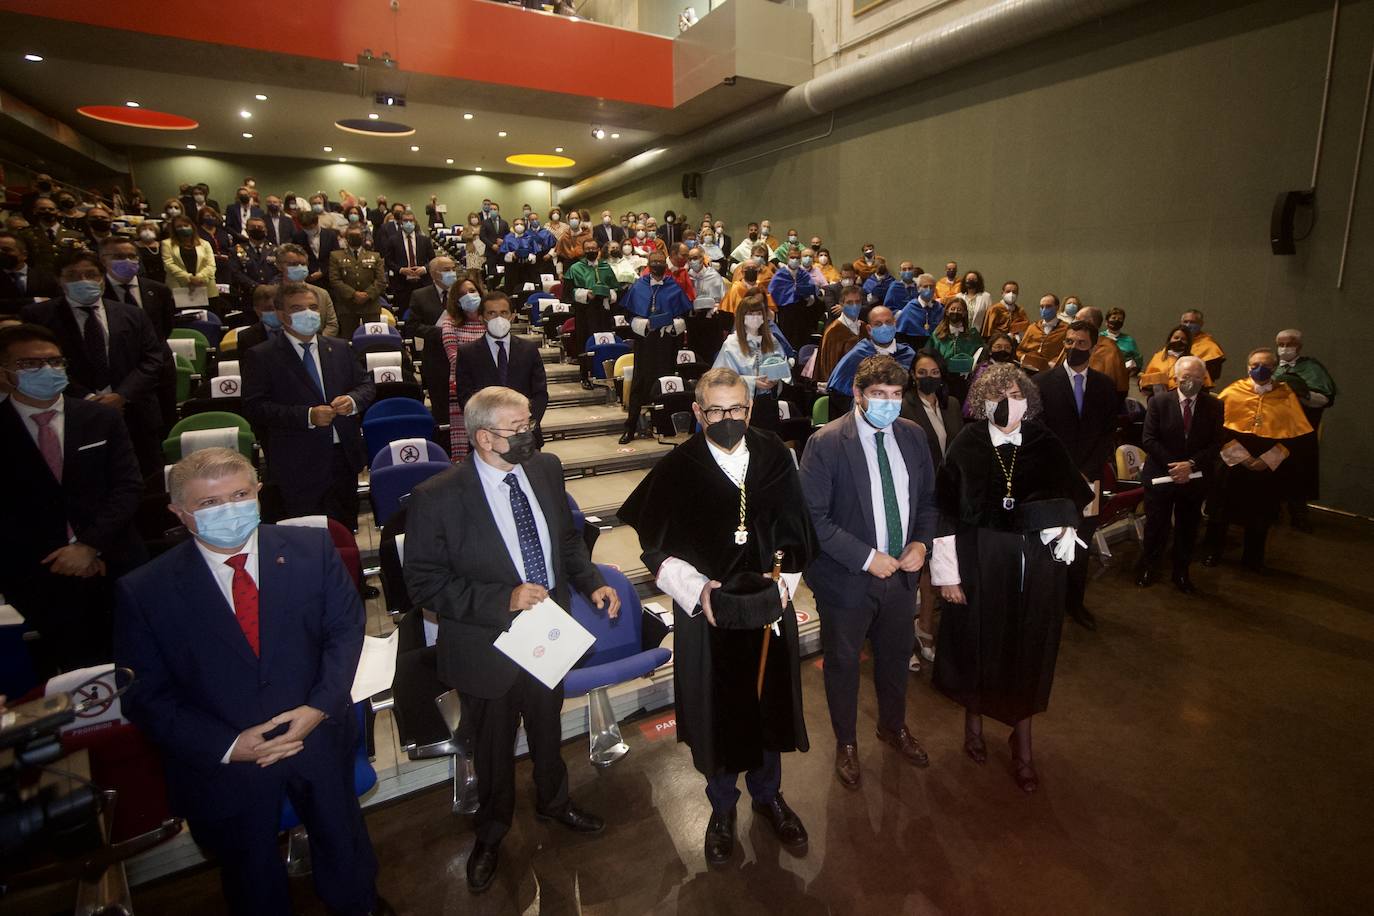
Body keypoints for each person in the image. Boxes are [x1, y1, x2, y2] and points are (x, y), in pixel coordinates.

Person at [114, 448, 389, 916]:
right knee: (249, 872)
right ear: (178, 513)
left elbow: (345, 632)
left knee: (343, 843)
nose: (229, 509)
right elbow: (144, 695)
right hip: (227, 762)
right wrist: (228, 745)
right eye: (209, 503)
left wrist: (319, 707)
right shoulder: (144, 590)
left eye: (239, 494)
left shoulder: (311, 550)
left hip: (316, 737)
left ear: (259, 493)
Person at [403, 387, 616, 893]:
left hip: (549, 636)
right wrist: (504, 598)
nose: (530, 436)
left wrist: (593, 582)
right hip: (486, 648)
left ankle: (554, 801)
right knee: (493, 748)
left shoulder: (545, 468)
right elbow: (424, 584)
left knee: (547, 729)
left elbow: (565, 539)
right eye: (518, 430)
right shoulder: (437, 497)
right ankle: (492, 832)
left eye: (530, 425)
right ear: (483, 438)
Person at [619, 367, 817, 864]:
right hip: (707, 611)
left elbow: (795, 532)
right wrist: (696, 590)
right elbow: (655, 547)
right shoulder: (680, 466)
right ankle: (723, 806)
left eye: (736, 410)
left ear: (749, 410)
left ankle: (769, 796)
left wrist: (781, 590)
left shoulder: (775, 456)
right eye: (716, 411)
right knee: (717, 711)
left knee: (766, 706)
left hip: (769, 606)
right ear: (699, 412)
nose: (727, 419)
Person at [930, 362, 1092, 792]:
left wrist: (1063, 526)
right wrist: (947, 575)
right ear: (982, 401)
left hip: (1034, 568)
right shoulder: (967, 443)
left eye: (1016, 396)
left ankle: (1023, 746)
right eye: (998, 397)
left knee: (1027, 650)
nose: (1008, 404)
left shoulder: (1044, 442)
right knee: (978, 643)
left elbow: (1073, 499)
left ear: (1029, 401)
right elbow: (945, 512)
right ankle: (974, 725)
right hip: (980, 562)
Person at [800, 355, 937, 789]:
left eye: (897, 396)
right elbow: (814, 518)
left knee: (896, 658)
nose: (889, 404)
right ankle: (846, 743)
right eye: (879, 395)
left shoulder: (913, 436)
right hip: (846, 579)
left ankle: (892, 727)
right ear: (858, 395)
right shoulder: (826, 443)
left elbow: (930, 501)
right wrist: (865, 557)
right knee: (842, 663)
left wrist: (921, 543)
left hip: (900, 576)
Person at [0, 324, 144, 676]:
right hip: (39, 574)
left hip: (115, 561)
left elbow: (127, 487)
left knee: (136, 664)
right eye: (29, 365)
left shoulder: (99, 418)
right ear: (4, 373)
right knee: (70, 673)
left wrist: (89, 545)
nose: (46, 371)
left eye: (54, 362)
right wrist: (64, 555)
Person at [22, 250, 168, 478]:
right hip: (71, 410)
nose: (83, 281)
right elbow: (38, 363)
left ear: (102, 277)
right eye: (73, 276)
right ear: (60, 280)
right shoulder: (38, 315)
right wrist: (89, 399)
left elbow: (152, 359)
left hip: (134, 410)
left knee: (147, 477)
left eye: (90, 274)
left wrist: (121, 396)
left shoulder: (132, 313)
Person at [241, 283, 375, 527]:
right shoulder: (262, 355)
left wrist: (353, 400)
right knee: (308, 535)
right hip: (298, 463)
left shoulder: (340, 348)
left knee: (345, 530)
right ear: (282, 315)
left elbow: (366, 385)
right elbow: (255, 407)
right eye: (297, 308)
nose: (308, 313)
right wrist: (307, 416)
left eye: (313, 307)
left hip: (342, 459)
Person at [1034, 320, 1119, 631]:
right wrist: (1067, 470)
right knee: (1049, 543)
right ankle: (1047, 605)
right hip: (1054, 477)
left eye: (1080, 343)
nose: (1072, 348)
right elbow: (1038, 431)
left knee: (1081, 544)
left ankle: (1075, 604)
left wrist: (1087, 471)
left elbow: (1108, 433)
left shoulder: (1106, 386)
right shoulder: (1043, 382)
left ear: (1093, 347)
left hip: (1090, 478)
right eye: (1068, 342)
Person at [1202, 348, 1313, 571]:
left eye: (1265, 365)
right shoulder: (1233, 392)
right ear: (1247, 367)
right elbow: (1216, 430)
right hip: (1233, 461)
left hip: (1266, 466)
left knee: (1260, 514)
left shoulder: (1286, 395)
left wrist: (1267, 460)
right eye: (1254, 365)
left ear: (1274, 368)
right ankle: (1213, 552)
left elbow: (1296, 437)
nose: (1259, 369)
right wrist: (1242, 457)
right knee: (1220, 512)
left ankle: (1253, 559)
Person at [1136, 356, 1223, 592]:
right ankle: (1149, 566)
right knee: (1156, 526)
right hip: (1161, 476)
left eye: (1197, 377)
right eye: (1186, 377)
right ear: (1176, 378)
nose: (1191, 382)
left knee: (1188, 527)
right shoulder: (1159, 402)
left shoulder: (1215, 405)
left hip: (1193, 478)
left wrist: (1191, 465)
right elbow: (1149, 439)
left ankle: (1181, 572)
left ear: (1204, 379)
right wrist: (1176, 465)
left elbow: (1216, 444)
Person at [900, 350, 964, 665]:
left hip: (947, 496)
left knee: (936, 566)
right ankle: (903, 639)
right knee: (914, 568)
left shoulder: (951, 405)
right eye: (922, 371)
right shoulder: (903, 406)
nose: (929, 377)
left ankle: (925, 627)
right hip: (916, 496)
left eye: (935, 371)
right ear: (913, 375)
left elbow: (958, 447)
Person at [455, 291, 549, 446]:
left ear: (512, 316)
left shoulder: (529, 349)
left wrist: (526, 425)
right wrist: (492, 428)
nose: (499, 318)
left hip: (525, 435)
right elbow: (466, 398)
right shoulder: (467, 353)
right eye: (492, 313)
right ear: (481, 318)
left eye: (504, 313)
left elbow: (540, 393)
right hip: (487, 437)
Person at [619, 250, 692, 444]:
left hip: (666, 344)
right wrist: (644, 325)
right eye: (654, 262)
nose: (657, 264)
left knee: (665, 382)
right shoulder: (638, 286)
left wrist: (673, 325)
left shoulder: (673, 286)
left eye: (661, 261)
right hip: (645, 343)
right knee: (639, 383)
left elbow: (684, 315)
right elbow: (628, 315)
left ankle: (664, 425)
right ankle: (631, 427)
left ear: (665, 265)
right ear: (648, 265)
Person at [1273, 328, 1336, 531]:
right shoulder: (1271, 365)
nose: (1284, 348)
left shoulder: (1311, 368)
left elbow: (1325, 398)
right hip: (1273, 429)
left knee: (1298, 474)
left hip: (1300, 430)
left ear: (1298, 346)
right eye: (1280, 344)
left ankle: (1299, 515)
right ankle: (1271, 511)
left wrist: (1303, 394)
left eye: (1288, 344)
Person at [421, 279, 487, 460]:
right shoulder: (449, 324)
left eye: (472, 290)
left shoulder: (489, 321)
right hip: (462, 386)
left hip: (491, 385)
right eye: (463, 294)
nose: (469, 296)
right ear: (456, 300)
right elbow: (455, 358)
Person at [712, 292, 790, 430]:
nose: (755, 318)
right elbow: (721, 378)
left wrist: (775, 379)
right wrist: (752, 382)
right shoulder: (731, 344)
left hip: (768, 404)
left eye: (759, 314)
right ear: (742, 317)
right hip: (743, 405)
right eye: (750, 315)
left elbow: (781, 365)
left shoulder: (771, 340)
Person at [825, 305, 915, 419]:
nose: (884, 327)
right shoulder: (857, 355)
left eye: (888, 322)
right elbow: (839, 393)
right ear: (868, 329)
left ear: (895, 324)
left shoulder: (908, 354)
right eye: (878, 324)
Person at [565, 239, 620, 366]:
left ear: (598, 250)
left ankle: (604, 367)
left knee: (604, 338)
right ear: (583, 251)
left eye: (593, 248)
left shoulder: (605, 266)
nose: (591, 251)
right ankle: (586, 370)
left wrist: (610, 293)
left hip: (603, 310)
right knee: (586, 339)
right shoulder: (575, 268)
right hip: (584, 310)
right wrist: (585, 294)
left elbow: (615, 288)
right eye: (588, 249)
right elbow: (567, 292)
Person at [329, 224, 387, 338]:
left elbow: (381, 280)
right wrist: (353, 294)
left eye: (358, 235)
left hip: (371, 305)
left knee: (373, 339)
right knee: (348, 339)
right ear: (346, 237)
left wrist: (367, 294)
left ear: (363, 237)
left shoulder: (375, 256)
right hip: (347, 306)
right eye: (352, 235)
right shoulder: (336, 256)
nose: (355, 238)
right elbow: (334, 280)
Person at [1056, 306, 1127, 397]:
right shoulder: (1071, 343)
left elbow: (1118, 388)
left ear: (1089, 323)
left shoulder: (1109, 349)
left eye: (1077, 319)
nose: (1073, 322)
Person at [276, 243, 340, 337]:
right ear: (279, 266)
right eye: (293, 264)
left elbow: (332, 325)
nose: (299, 267)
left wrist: (316, 341)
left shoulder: (322, 293)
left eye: (303, 264)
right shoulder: (273, 294)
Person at [928, 297, 982, 402]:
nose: (955, 312)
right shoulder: (937, 334)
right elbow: (930, 354)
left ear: (964, 313)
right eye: (952, 309)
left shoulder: (972, 333)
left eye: (959, 310)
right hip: (944, 379)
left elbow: (980, 353)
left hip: (966, 380)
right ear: (947, 312)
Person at [162, 214, 220, 310]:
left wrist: (199, 278)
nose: (183, 228)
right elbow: (168, 264)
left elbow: (211, 265)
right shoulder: (167, 244)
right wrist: (189, 278)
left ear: (192, 226)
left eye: (186, 225)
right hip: (180, 288)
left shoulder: (204, 244)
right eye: (179, 227)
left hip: (205, 287)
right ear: (174, 229)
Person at [814, 282, 867, 384]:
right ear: (841, 304)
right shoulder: (833, 331)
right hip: (841, 386)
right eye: (850, 302)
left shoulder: (864, 328)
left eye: (858, 302)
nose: (855, 306)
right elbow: (828, 369)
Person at [1139, 325, 1212, 397]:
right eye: (1176, 338)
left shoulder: (1195, 361)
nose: (1179, 340)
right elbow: (1146, 380)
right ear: (1170, 339)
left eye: (1183, 339)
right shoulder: (1158, 356)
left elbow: (1204, 386)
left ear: (1188, 342)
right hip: (1157, 398)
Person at [768, 250, 817, 348]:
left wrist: (803, 291)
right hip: (785, 311)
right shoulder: (780, 274)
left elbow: (812, 287)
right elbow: (773, 291)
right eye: (792, 257)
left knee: (801, 337)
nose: (795, 260)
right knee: (787, 337)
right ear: (787, 258)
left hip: (801, 311)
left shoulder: (803, 274)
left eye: (797, 258)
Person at [0, 231, 60, 310]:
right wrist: (35, 300)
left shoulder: (46, 278)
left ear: (24, 255)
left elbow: (58, 301)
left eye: (6, 250)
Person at [407, 255, 459, 334]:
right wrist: (444, 331)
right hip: (434, 342)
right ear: (433, 274)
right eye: (446, 270)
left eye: (453, 269)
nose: (452, 273)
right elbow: (413, 327)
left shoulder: (461, 293)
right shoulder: (419, 296)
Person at [1017, 294, 1067, 372]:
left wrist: (1055, 362)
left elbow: (1067, 352)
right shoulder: (1032, 327)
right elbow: (1020, 350)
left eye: (1048, 306)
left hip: (1053, 371)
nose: (1044, 309)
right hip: (1030, 370)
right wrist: (1023, 357)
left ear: (1057, 307)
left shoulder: (1066, 329)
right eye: (1042, 307)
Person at [293, 209, 341, 287]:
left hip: (328, 277)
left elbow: (336, 257)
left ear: (316, 223)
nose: (309, 230)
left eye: (311, 227)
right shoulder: (298, 237)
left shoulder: (330, 235)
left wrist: (323, 272)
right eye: (306, 228)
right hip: (309, 278)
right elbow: (297, 257)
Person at [1181, 309, 1225, 381]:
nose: (1188, 325)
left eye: (1192, 322)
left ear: (1201, 324)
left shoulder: (1210, 346)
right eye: (1185, 322)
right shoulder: (1176, 342)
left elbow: (1214, 375)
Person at [1102, 307, 1142, 373]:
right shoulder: (1099, 337)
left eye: (1120, 319)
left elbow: (1138, 360)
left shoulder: (1129, 340)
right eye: (1114, 318)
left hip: (1123, 374)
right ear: (1106, 321)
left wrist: (1133, 366)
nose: (1116, 321)